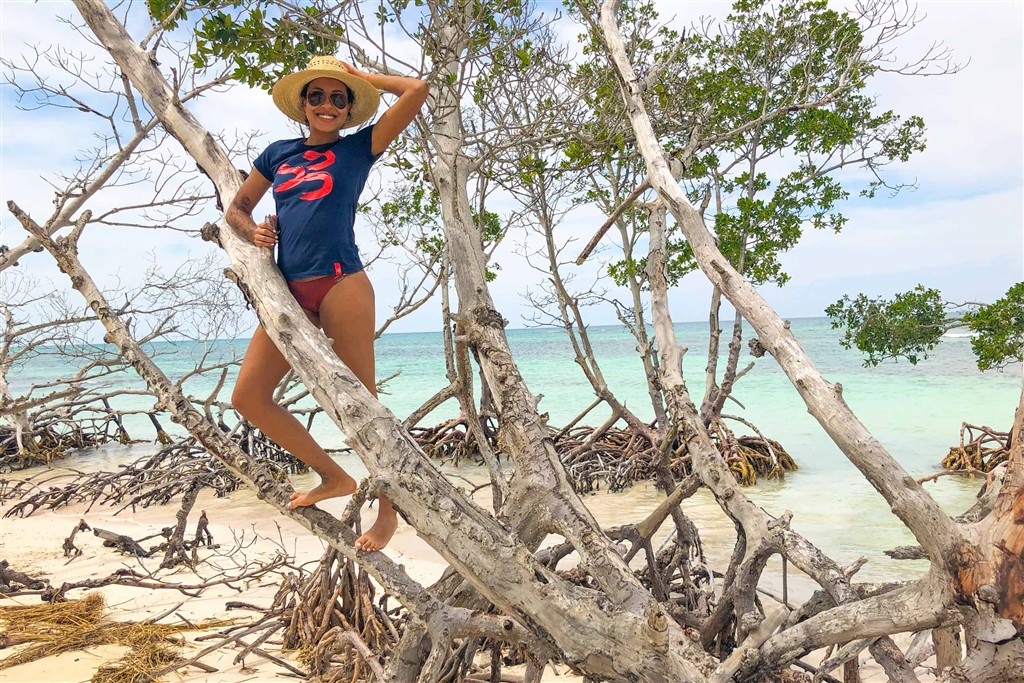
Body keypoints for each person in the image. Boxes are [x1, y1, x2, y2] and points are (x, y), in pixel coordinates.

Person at [226, 55, 428, 551]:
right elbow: (237, 209)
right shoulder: (278, 154)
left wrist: (359, 77)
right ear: (303, 104)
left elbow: (417, 90)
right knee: (248, 398)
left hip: (342, 285)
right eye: (317, 95)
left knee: (366, 407)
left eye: (338, 98)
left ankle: (388, 514)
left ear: (348, 107)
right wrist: (252, 232)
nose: (327, 105)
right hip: (289, 292)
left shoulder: (360, 148)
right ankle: (333, 476)